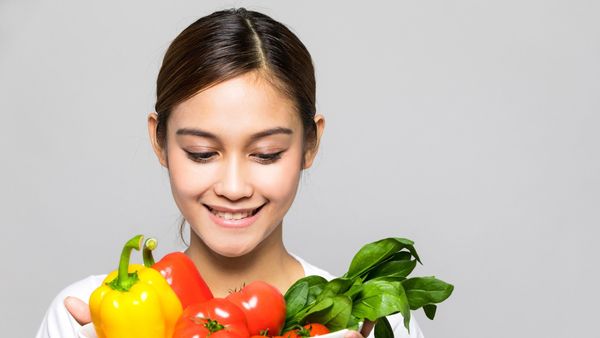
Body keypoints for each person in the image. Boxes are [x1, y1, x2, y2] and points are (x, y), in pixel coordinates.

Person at [35, 8, 424, 338]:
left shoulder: (377, 321)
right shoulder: (82, 320)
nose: (234, 188)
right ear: (159, 142)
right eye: (202, 153)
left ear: (310, 144)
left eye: (266, 154)